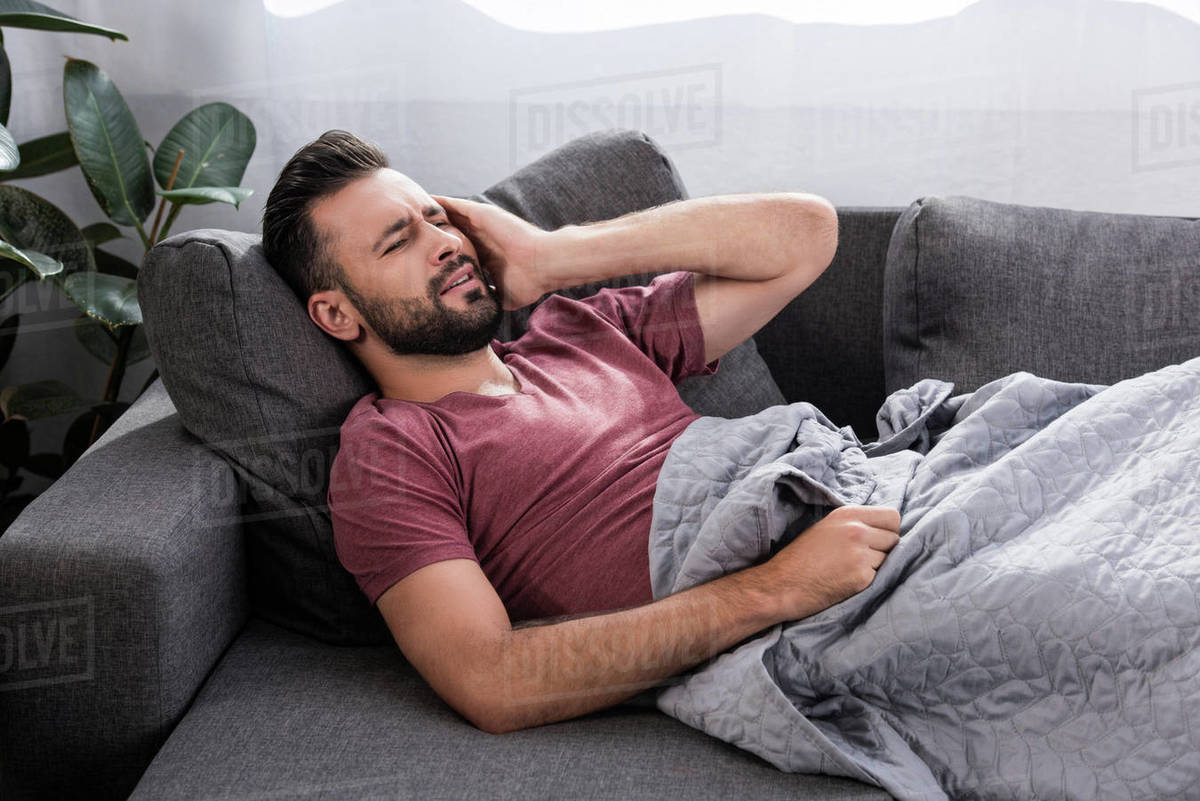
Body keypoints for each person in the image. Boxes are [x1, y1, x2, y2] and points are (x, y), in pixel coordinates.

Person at [261, 130, 901, 736]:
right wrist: (777, 587)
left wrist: (549, 257)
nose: (444, 243)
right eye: (398, 241)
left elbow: (808, 236)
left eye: (438, 218)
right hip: (822, 587)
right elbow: (491, 680)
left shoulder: (581, 331)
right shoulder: (390, 452)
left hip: (879, 495)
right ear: (337, 313)